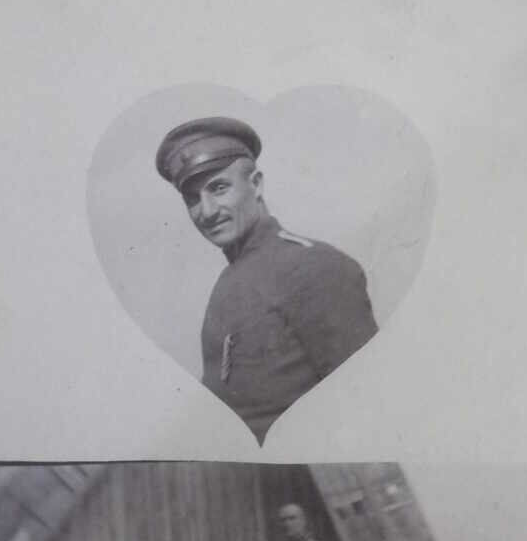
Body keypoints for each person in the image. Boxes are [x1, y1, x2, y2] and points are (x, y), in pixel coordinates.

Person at [155, 117, 378, 443]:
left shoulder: (313, 267)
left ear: (256, 185)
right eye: (192, 198)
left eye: (219, 188)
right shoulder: (227, 285)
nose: (207, 210)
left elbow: (365, 405)